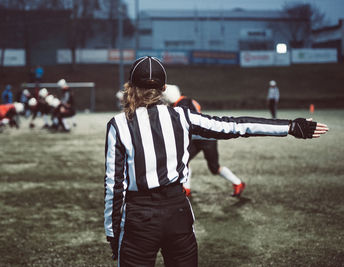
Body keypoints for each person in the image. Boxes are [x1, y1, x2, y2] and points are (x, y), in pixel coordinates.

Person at [104, 56, 328, 266]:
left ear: (131, 86)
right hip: (177, 214)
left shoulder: (118, 124)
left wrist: (112, 233)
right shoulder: (183, 116)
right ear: (164, 88)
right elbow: (236, 126)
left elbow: (114, 186)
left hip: (139, 218)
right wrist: (290, 127)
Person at [162, 84, 245, 197]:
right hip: (199, 138)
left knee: (213, 167)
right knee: (184, 161)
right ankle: (186, 188)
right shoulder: (185, 101)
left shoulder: (182, 104)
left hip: (205, 138)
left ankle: (238, 183)